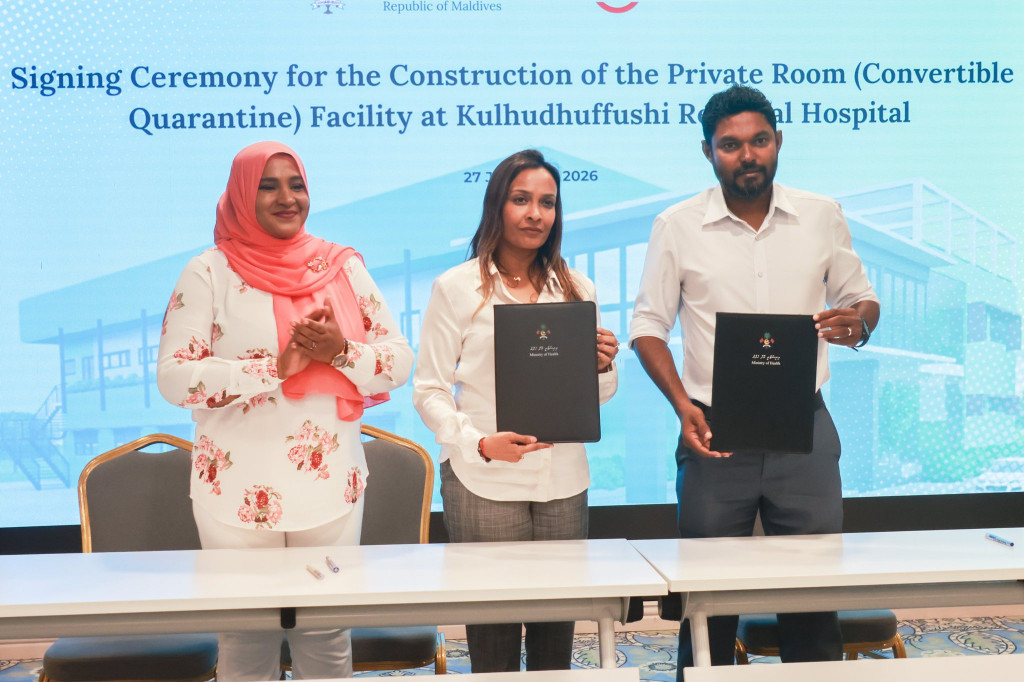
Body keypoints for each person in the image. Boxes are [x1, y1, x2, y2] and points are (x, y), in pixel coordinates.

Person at [628, 85, 880, 678]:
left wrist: (860, 324)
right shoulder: (677, 225)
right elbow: (647, 326)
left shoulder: (822, 214)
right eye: (730, 145)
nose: (748, 155)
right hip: (715, 432)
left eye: (759, 140)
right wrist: (681, 405)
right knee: (706, 603)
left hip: (804, 426)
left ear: (779, 141)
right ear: (708, 152)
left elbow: (861, 297)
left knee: (812, 597)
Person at [157, 141, 412, 681]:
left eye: (296, 185)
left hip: (330, 489)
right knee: (245, 636)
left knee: (327, 633)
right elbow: (175, 379)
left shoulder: (341, 266)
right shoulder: (208, 272)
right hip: (234, 494)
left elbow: (398, 361)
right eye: (267, 186)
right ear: (240, 195)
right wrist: (274, 368)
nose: (286, 198)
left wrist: (339, 353)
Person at [413, 149, 619, 672]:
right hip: (484, 477)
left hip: (562, 477)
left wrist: (600, 367)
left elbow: (598, 396)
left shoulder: (578, 289)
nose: (535, 214)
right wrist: (478, 444)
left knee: (556, 633)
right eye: (521, 199)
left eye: (547, 203)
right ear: (496, 206)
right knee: (494, 634)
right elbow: (429, 390)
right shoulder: (456, 287)